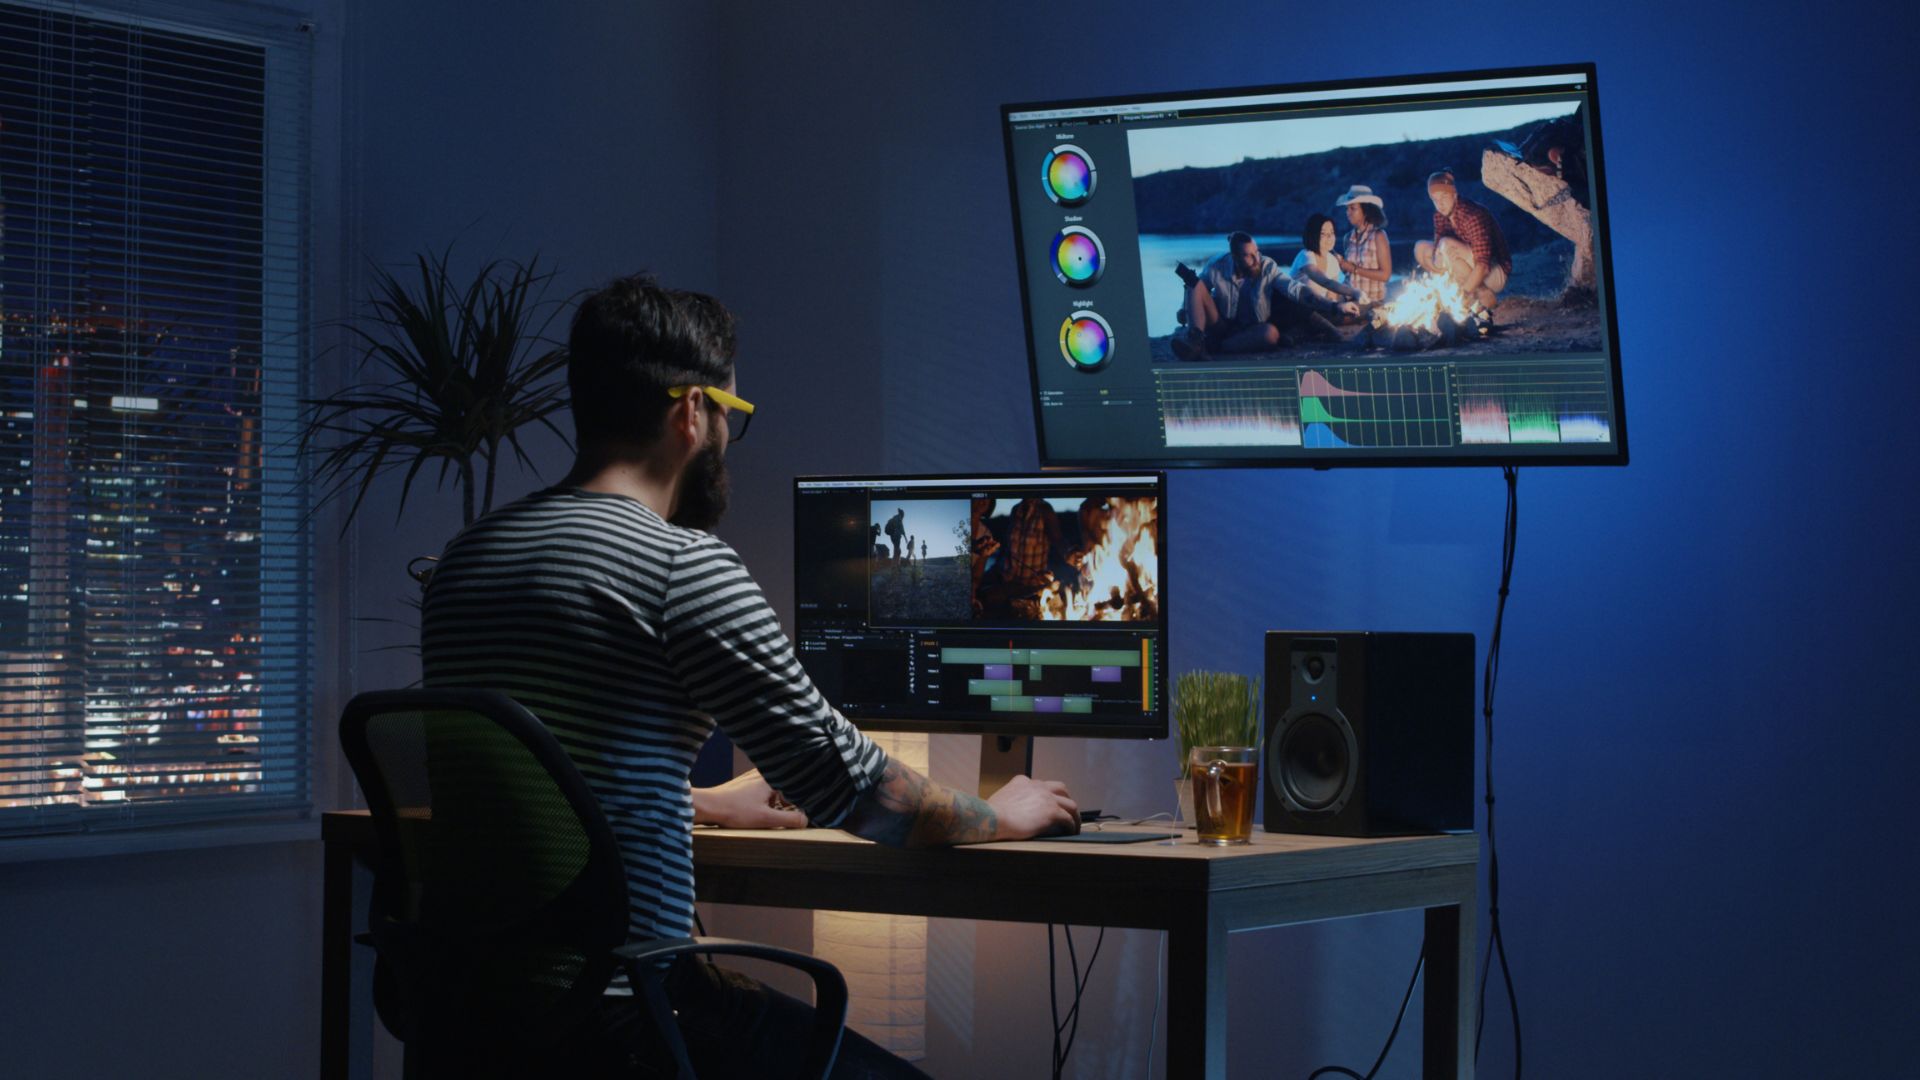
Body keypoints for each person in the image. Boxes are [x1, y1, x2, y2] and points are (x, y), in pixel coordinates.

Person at [419, 273, 1077, 1078]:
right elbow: (854, 789)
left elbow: (533, 782)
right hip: (630, 1018)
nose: (730, 438)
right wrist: (998, 816)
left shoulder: (463, 562)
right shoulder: (678, 565)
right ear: (691, 412)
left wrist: (698, 801)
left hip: (473, 1023)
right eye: (735, 416)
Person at [1171, 230, 1286, 360]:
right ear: (1235, 257)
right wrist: (1183, 308)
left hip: (1250, 329)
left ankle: (1213, 347)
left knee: (1270, 334)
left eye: (1257, 252)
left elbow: (1290, 286)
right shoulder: (1217, 264)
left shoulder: (1267, 267)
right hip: (1221, 323)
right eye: (1248, 255)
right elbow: (1198, 288)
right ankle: (1194, 341)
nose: (1256, 259)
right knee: (1194, 282)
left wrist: (1309, 296)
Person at [1413, 169, 1512, 315]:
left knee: (1446, 245)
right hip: (1466, 266)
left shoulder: (1472, 215)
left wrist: (1459, 298)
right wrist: (1438, 260)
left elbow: (1483, 266)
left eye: (1444, 196)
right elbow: (1436, 249)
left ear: (1454, 194)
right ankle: (1459, 288)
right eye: (1435, 199)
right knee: (1420, 248)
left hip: (1495, 273)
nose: (1440, 204)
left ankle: (1478, 292)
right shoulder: (1439, 215)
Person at [1286, 213, 1367, 326]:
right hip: (1300, 309)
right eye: (1323, 233)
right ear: (1313, 235)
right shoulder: (1306, 256)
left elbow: (1331, 294)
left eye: (1332, 233)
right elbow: (1326, 282)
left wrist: (1342, 303)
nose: (1329, 237)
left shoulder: (1333, 261)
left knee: (1354, 309)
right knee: (1357, 313)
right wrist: (1355, 291)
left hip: (1320, 307)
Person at [1332, 184, 1392, 305]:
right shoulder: (1347, 238)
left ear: (1365, 210)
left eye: (1352, 208)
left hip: (1371, 302)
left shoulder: (1378, 236)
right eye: (1347, 208)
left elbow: (1385, 275)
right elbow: (1349, 273)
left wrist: (1353, 268)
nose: (1347, 212)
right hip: (1348, 297)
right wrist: (1341, 265)